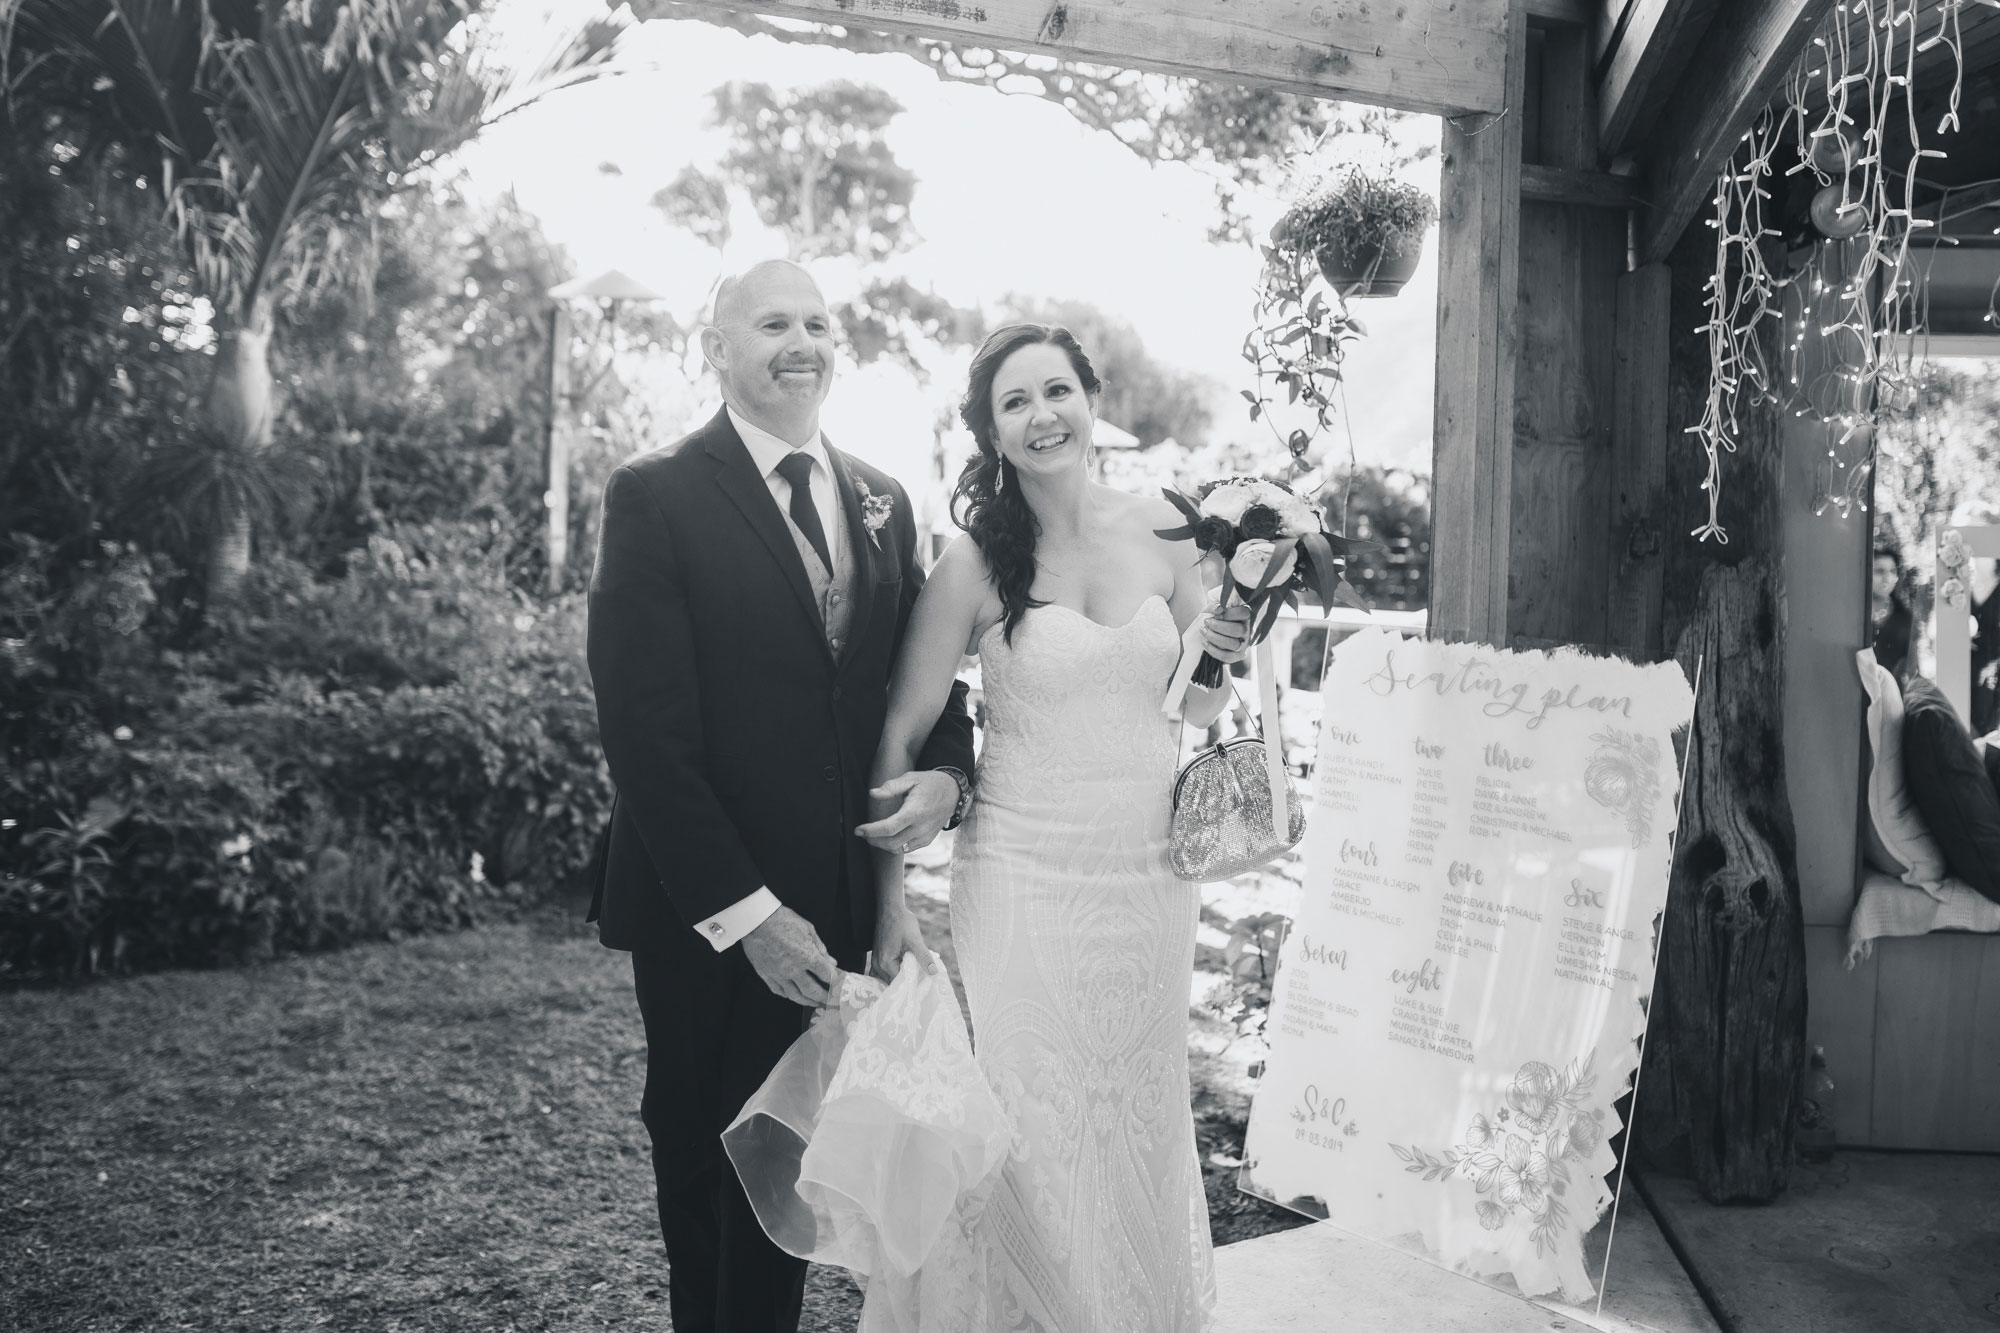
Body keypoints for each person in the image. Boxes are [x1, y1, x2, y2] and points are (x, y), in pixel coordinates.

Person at [584, 259, 977, 1333]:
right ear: (716, 349)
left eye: (815, 321)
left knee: (796, 1168)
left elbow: (922, 693)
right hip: (706, 908)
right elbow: (645, 736)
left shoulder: (883, 499)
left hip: (841, 901)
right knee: (708, 1161)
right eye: (770, 323)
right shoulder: (655, 494)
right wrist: (748, 916)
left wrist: (945, 774)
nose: (799, 341)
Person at [865, 323, 1253, 1331]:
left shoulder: (1171, 527)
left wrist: (1226, 640)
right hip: (1023, 876)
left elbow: (1195, 707)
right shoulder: (973, 561)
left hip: (1151, 875)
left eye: (1056, 392)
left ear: (1091, 399)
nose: (1041, 416)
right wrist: (887, 898)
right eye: (1014, 402)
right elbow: (901, 726)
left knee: (1138, 1117)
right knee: (1034, 1123)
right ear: (991, 431)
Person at [1869, 546, 1912, 680]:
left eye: (1892, 571)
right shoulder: (1852, 613)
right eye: (1879, 571)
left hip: (1891, 695)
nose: (1887, 578)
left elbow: (1911, 668)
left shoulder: (1904, 618)